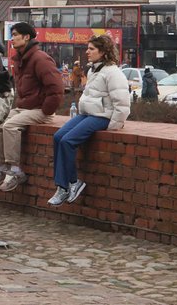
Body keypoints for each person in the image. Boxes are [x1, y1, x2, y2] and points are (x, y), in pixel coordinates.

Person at [49, 35, 130, 206]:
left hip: (102, 116)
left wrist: (113, 126)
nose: (87, 52)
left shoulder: (114, 73)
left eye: (91, 49)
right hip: (86, 114)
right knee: (58, 137)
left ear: (103, 51)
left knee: (68, 141)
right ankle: (62, 187)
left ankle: (72, 182)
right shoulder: (93, 70)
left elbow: (122, 103)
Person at [0, 22, 64, 192]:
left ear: (26, 37)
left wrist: (46, 110)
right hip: (25, 108)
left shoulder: (40, 58)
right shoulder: (20, 59)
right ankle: (1, 167)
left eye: (16, 34)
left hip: (39, 110)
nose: (13, 38)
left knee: (10, 126)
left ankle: (15, 170)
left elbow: (57, 89)